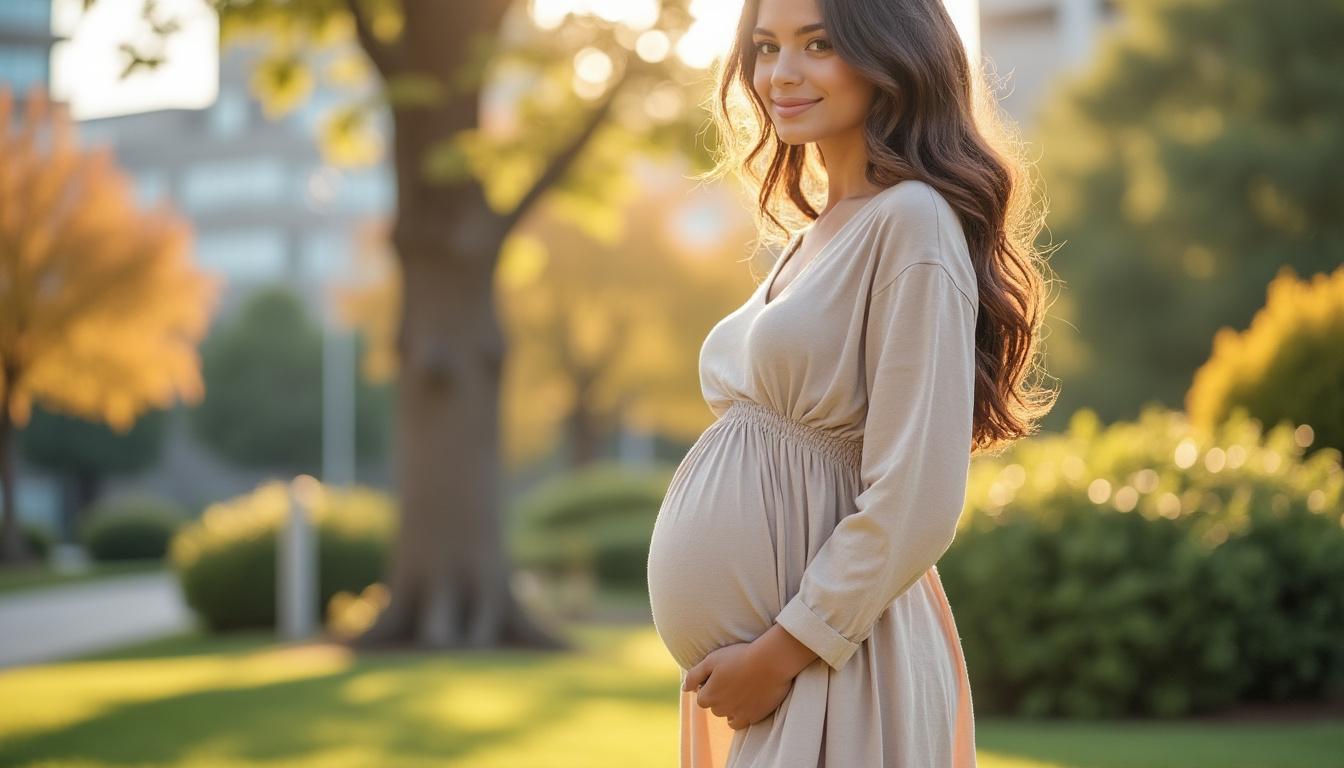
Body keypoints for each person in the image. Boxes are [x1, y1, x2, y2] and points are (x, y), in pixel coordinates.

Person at [645, 0, 1058, 765]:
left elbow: (915, 500)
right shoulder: (812, 236)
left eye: (819, 44)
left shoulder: (913, 221)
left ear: (890, 55)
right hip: (782, 674)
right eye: (766, 48)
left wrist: (779, 653)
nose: (783, 72)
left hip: (834, 664)